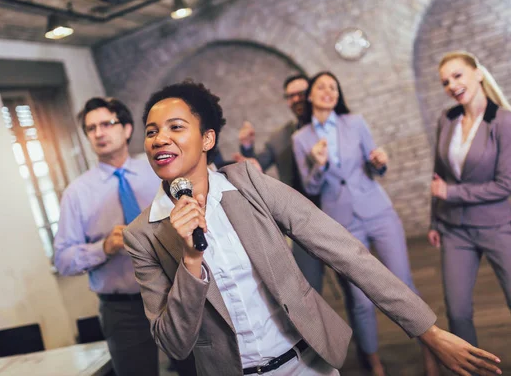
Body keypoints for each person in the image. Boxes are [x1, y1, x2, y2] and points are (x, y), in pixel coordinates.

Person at [123, 80, 501, 376]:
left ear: (207, 139)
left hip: (308, 364)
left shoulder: (249, 185)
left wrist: (426, 330)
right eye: (152, 131)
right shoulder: (143, 235)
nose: (160, 139)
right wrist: (191, 262)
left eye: (175, 127)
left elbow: (343, 250)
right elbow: (173, 343)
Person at [291, 71, 439, 376]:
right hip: (342, 223)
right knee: (360, 300)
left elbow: (376, 165)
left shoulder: (355, 123)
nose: (329, 91)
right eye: (322, 86)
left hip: (378, 212)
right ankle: (374, 365)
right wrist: (317, 165)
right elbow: (312, 188)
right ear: (311, 95)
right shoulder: (300, 138)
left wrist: (380, 161)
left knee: (404, 284)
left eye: (334, 86)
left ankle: (431, 352)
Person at [54, 97, 196, 376]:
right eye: (91, 128)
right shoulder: (77, 193)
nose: (99, 133)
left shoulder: (159, 170)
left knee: (198, 370)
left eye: (107, 124)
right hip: (123, 310)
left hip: (175, 294)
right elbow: (62, 260)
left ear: (128, 129)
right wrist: (102, 248)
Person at [429, 51, 511, 348]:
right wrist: (435, 219)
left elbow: (505, 185)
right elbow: (438, 175)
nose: (451, 85)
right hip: (454, 230)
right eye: (445, 82)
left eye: (457, 75)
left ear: (477, 73)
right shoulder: (447, 118)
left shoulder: (503, 121)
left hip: (497, 226)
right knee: (457, 312)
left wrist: (452, 193)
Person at [237, 74, 325, 294]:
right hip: (302, 221)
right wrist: (247, 148)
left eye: (301, 94)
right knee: (310, 289)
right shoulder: (280, 137)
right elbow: (258, 165)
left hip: (337, 212)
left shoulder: (329, 128)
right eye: (291, 96)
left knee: (354, 290)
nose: (297, 99)